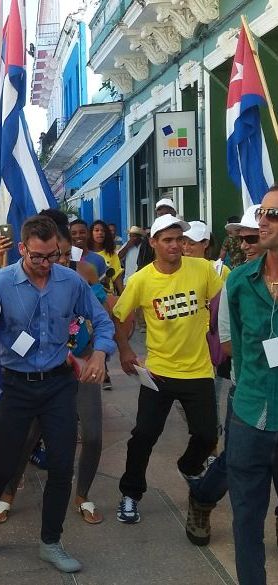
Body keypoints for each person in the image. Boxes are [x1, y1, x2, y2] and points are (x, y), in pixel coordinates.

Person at [0, 215, 115, 573]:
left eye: (53, 256)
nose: (46, 265)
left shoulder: (70, 281)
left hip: (58, 382)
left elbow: (102, 320)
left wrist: (102, 353)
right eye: (37, 257)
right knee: (2, 465)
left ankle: (51, 541)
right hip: (14, 384)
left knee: (61, 464)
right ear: (22, 248)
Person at [111, 214, 223, 526]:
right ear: (154, 243)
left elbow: (222, 303)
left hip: (198, 370)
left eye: (180, 240)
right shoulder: (141, 280)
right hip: (158, 372)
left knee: (206, 434)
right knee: (144, 435)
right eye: (169, 240)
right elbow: (121, 315)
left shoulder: (202, 269)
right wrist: (125, 349)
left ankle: (189, 466)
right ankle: (131, 493)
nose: (176, 245)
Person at [184, 205, 267, 547]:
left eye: (252, 237)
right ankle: (202, 498)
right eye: (242, 238)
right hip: (247, 389)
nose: (245, 245)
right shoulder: (236, 283)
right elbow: (229, 344)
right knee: (237, 461)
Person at [225, 189, 278, 585]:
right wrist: (244, 392)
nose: (262, 221)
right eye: (262, 212)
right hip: (248, 419)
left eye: (272, 214)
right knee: (246, 523)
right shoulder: (240, 280)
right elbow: (239, 348)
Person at [136, 198, 178, 270]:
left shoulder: (183, 233)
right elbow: (142, 263)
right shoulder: (150, 237)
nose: (164, 217)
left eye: (167, 213)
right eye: (160, 214)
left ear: (174, 213)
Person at [88, 219, 124, 295]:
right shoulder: (85, 253)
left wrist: (123, 297)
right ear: (91, 233)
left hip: (108, 295)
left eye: (103, 231)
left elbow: (117, 277)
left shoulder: (111, 254)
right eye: (96, 230)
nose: (100, 233)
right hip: (90, 295)